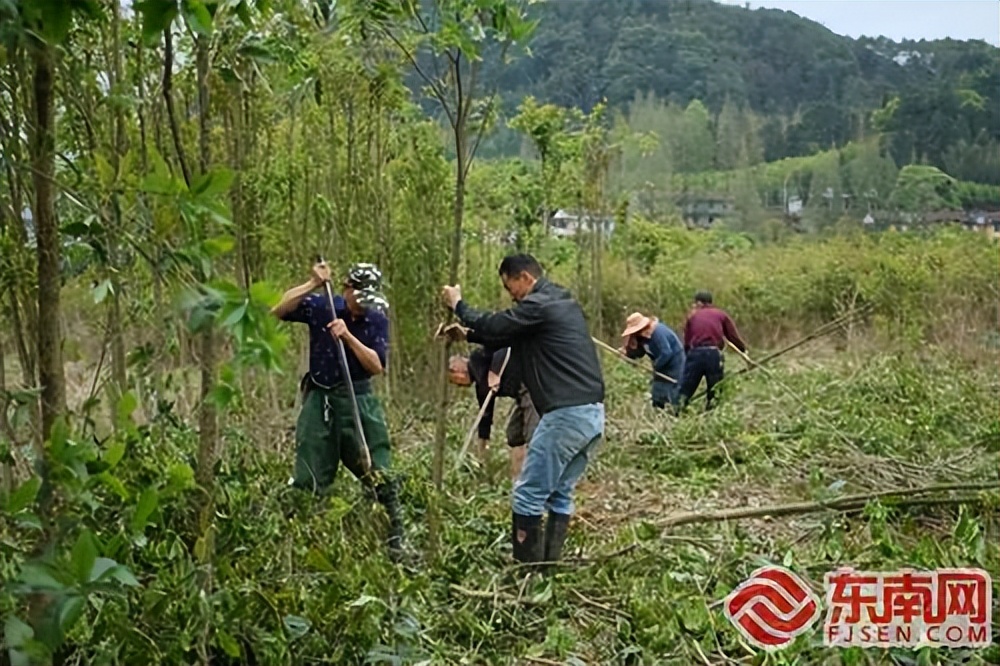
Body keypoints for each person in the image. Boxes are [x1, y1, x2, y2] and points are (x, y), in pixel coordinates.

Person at [440, 254, 605, 568]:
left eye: (509, 286)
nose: (510, 294)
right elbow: (507, 333)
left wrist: (459, 305)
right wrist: (469, 334)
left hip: (565, 416)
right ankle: (547, 571)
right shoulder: (559, 302)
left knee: (527, 495)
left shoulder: (539, 304)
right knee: (559, 493)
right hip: (592, 415)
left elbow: (499, 323)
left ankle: (527, 576)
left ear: (525, 278)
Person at [270, 259, 405, 560]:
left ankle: (396, 540)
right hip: (322, 399)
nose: (362, 306)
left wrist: (347, 336)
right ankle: (302, 540)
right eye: (359, 298)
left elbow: (376, 365)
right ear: (346, 289)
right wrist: (312, 283)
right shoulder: (322, 307)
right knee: (308, 475)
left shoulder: (376, 319)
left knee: (380, 470)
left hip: (359, 398)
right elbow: (279, 310)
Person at [447, 345, 540, 480]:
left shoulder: (479, 357)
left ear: (456, 371)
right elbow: (484, 419)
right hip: (521, 395)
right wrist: (481, 456)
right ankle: (518, 482)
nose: (459, 385)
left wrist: (494, 372)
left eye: (454, 381)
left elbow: (503, 346)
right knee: (514, 435)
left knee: (534, 436)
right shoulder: (481, 386)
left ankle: (537, 483)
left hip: (532, 384)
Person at [678, 290, 748, 412]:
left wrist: (687, 358)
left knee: (686, 389)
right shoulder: (721, 315)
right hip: (713, 354)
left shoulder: (692, 316)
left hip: (696, 354)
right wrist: (743, 349)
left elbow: (687, 341)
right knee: (715, 389)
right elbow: (732, 336)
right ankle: (711, 414)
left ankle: (676, 412)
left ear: (699, 303)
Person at [619, 311, 686, 412]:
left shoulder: (658, 333)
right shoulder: (642, 337)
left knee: (672, 391)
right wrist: (628, 353)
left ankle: (674, 413)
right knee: (657, 392)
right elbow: (641, 352)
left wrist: (656, 366)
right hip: (661, 365)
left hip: (674, 363)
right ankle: (658, 410)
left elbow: (666, 353)